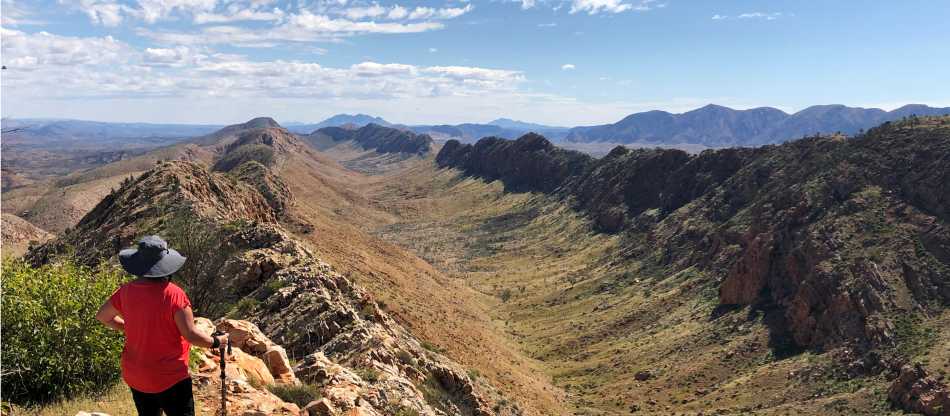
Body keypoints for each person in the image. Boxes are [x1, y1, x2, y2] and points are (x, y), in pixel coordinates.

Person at [95, 235, 228, 416]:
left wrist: (130, 327)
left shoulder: (125, 292)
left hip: (136, 375)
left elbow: (103, 316)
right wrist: (216, 342)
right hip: (170, 378)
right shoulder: (174, 295)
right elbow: (190, 335)